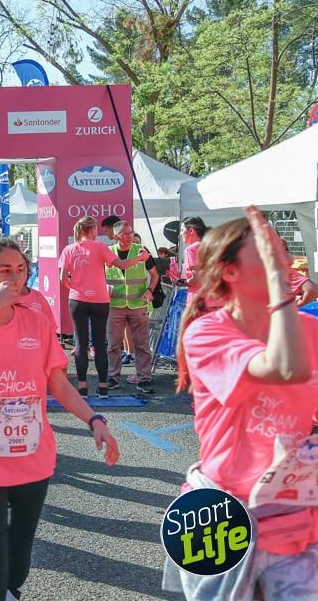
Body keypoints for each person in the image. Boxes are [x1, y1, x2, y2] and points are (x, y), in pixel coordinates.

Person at [0, 237, 119, 601]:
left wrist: (94, 420)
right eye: (5, 270)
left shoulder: (36, 321)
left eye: (21, 270)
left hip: (32, 460)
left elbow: (59, 383)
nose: (16, 278)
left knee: (18, 566)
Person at [168, 207, 318, 599]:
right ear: (229, 272)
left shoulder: (310, 330)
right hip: (223, 518)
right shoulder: (206, 333)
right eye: (267, 252)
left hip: (295, 514)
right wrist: (282, 292)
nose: (282, 261)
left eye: (282, 251)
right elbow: (285, 368)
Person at [59, 216, 150, 397]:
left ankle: (83, 387)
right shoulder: (100, 247)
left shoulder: (69, 249)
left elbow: (62, 278)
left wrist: (76, 289)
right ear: (92, 230)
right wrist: (140, 258)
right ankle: (102, 387)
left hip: (77, 300)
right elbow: (122, 264)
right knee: (100, 343)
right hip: (100, 300)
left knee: (81, 343)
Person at [105, 221, 159, 395]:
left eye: (131, 232)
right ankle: (113, 377)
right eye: (125, 233)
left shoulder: (141, 250)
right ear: (116, 236)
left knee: (142, 344)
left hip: (138, 304)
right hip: (115, 305)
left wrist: (150, 290)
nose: (129, 236)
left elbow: (154, 274)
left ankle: (144, 379)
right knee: (113, 344)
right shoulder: (108, 252)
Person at [179, 216, 207, 292]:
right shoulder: (209, 246)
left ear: (191, 231)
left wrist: (183, 282)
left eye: (182, 230)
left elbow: (197, 279)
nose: (180, 234)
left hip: (198, 295)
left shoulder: (191, 249)